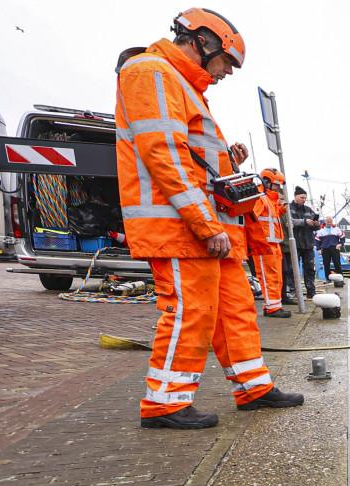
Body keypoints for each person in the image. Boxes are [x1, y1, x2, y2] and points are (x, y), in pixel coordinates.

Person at [116, 8, 303, 429]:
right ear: (204, 42)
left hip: (207, 229)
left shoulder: (181, 83)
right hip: (179, 227)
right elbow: (163, 153)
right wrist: (204, 223)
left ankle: (253, 388)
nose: (228, 73)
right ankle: (164, 403)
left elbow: (188, 155)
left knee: (235, 310)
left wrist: (226, 161)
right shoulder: (151, 71)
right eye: (227, 63)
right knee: (189, 311)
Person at [246, 167, 288, 317]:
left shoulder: (270, 199)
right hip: (264, 245)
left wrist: (281, 209)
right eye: (276, 185)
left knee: (276, 276)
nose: (278, 188)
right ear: (267, 182)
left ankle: (275, 305)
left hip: (274, 243)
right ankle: (272, 307)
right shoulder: (260, 198)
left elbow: (270, 218)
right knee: (268, 276)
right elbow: (252, 219)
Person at [285, 187, 319, 300]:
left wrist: (316, 224)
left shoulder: (309, 210)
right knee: (292, 269)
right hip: (295, 244)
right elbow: (289, 221)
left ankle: (311, 291)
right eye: (302, 197)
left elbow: (316, 227)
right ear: (295, 196)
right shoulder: (288, 208)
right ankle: (292, 291)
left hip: (308, 244)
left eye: (305, 198)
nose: (304, 200)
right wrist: (304, 221)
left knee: (309, 268)